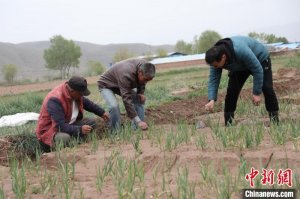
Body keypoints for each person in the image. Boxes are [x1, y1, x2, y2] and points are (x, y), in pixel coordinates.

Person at [204, 36, 279, 126]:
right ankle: (229, 124)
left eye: (216, 65)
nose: (215, 67)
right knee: (232, 91)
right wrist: (211, 99)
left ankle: (275, 121)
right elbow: (214, 78)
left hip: (260, 59)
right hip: (239, 66)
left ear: (223, 57)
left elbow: (257, 69)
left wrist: (256, 93)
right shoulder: (215, 58)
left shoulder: (240, 50)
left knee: (267, 88)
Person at [36, 76, 109, 152]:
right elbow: (59, 126)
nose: (82, 96)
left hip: (68, 124)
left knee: (92, 122)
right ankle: (62, 152)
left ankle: (78, 143)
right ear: (72, 91)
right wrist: (79, 129)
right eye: (80, 94)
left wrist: (102, 112)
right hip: (50, 131)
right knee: (64, 138)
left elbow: (87, 103)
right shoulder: (55, 99)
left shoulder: (75, 94)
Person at [98, 58, 156, 131]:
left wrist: (140, 93)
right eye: (145, 79)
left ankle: (137, 130)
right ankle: (115, 132)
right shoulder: (126, 74)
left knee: (139, 99)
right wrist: (138, 121)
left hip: (121, 82)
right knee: (114, 106)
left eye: (148, 80)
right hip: (106, 84)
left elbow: (142, 83)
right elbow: (127, 100)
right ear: (140, 72)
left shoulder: (147, 66)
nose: (146, 82)